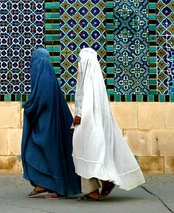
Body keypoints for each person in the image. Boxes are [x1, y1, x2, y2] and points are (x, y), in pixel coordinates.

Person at [72, 47, 145, 201]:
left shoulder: (91, 81)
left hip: (88, 123)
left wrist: (78, 114)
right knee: (90, 153)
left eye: (81, 60)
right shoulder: (89, 78)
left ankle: (101, 185)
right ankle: (103, 183)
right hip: (89, 123)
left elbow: (85, 101)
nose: (79, 63)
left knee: (89, 152)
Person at [21, 48, 81, 198]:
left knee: (41, 152)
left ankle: (56, 187)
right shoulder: (48, 76)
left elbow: (43, 100)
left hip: (47, 125)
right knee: (45, 154)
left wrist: (29, 107)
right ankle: (41, 185)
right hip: (46, 123)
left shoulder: (44, 78)